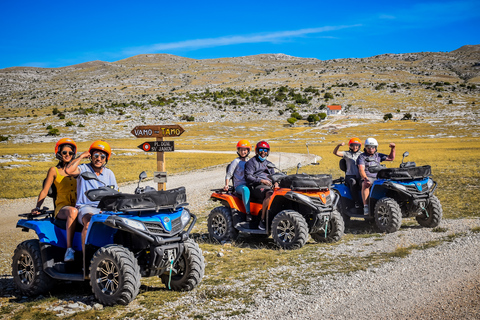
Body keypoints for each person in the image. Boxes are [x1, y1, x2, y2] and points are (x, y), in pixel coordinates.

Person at [65, 140, 118, 253]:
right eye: (96, 155)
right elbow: (68, 170)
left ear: (106, 159)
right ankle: (86, 258)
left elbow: (115, 193)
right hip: (85, 207)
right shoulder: (84, 168)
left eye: (102, 157)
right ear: (91, 156)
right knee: (89, 221)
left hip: (104, 208)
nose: (99, 159)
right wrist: (81, 156)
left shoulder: (109, 173)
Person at [32, 138, 78, 262]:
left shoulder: (78, 170)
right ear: (59, 153)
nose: (67, 155)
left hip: (78, 206)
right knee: (73, 212)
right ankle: (69, 250)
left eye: (70, 153)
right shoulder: (54, 170)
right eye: (64, 152)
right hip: (63, 208)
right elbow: (45, 190)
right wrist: (37, 207)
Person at [357, 138, 396, 215]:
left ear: (375, 148)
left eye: (373, 147)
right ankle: (366, 207)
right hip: (368, 177)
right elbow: (361, 170)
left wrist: (393, 148)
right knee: (365, 184)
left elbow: (391, 158)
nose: (371, 149)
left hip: (379, 177)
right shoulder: (362, 157)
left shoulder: (378, 155)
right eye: (368, 147)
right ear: (365, 147)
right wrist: (365, 179)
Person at [244, 140, 276, 230]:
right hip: (256, 186)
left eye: (265, 150)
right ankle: (262, 221)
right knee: (270, 194)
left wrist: (276, 182)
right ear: (257, 151)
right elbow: (248, 177)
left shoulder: (269, 164)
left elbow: (274, 176)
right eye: (261, 149)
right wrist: (261, 180)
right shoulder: (251, 162)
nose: (263, 152)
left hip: (268, 185)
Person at [224, 139, 253, 221]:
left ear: (248, 151)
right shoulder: (236, 161)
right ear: (238, 150)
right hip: (239, 186)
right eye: (241, 150)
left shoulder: (249, 161)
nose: (243, 152)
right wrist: (226, 185)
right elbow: (229, 174)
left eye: (245, 150)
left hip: (249, 184)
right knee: (245, 189)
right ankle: (248, 213)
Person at [333, 137, 363, 208]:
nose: (355, 147)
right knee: (353, 182)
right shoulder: (346, 154)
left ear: (359, 146)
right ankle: (357, 202)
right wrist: (338, 146)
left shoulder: (362, 154)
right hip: (350, 176)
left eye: (356, 145)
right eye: (353, 145)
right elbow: (335, 152)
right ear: (350, 146)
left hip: (360, 175)